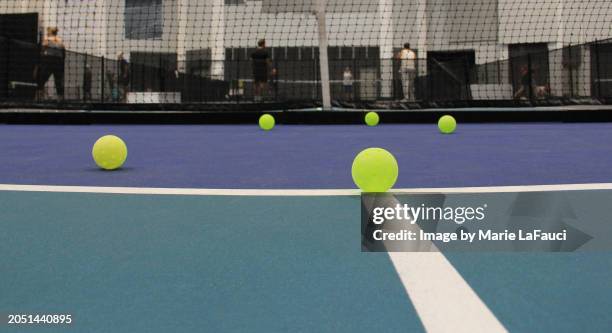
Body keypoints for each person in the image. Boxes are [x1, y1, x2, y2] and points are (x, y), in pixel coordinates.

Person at [37, 27, 65, 101]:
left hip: (49, 60)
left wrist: (40, 62)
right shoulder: (60, 41)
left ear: (50, 31)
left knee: (42, 79)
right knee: (58, 81)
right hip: (58, 61)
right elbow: (64, 52)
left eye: (48, 31)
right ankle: (60, 99)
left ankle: (40, 97)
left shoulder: (47, 39)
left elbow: (42, 51)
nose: (47, 32)